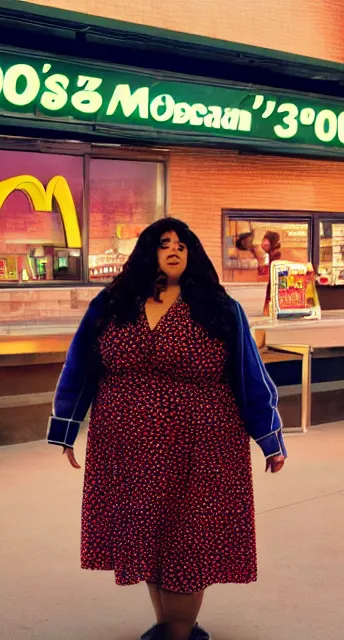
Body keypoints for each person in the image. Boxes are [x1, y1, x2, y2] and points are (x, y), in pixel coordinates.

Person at [47, 217, 286, 640]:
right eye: (163, 243)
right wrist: (67, 427)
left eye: (181, 243)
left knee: (187, 544)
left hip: (203, 449)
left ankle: (178, 633)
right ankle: (169, 629)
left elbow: (249, 374)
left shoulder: (218, 307)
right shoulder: (113, 303)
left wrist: (270, 439)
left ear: (192, 252)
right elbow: (80, 365)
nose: (173, 249)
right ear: (148, 251)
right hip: (128, 450)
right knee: (149, 543)